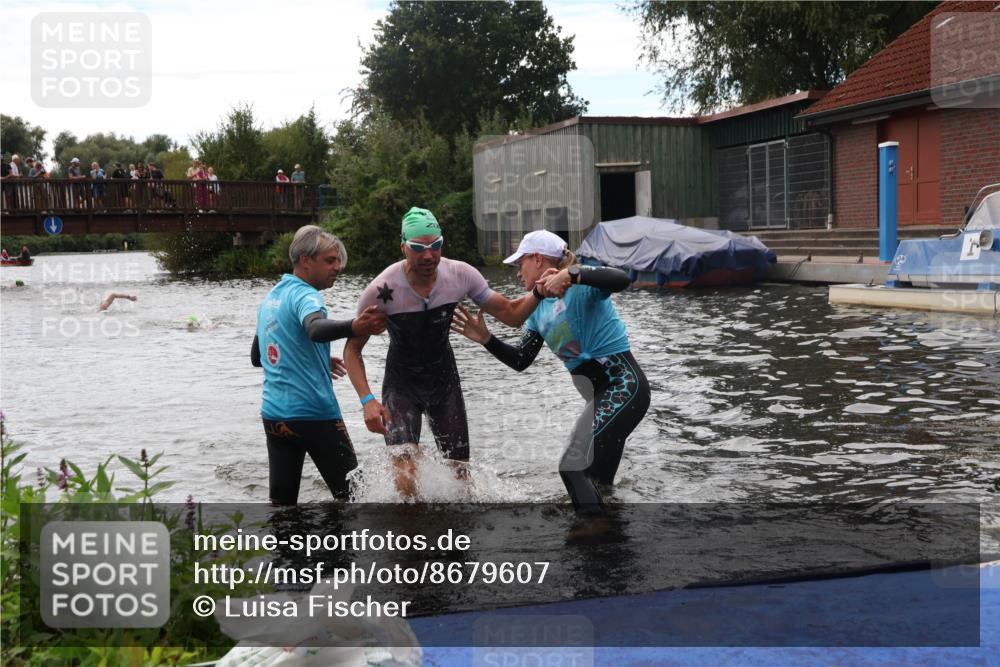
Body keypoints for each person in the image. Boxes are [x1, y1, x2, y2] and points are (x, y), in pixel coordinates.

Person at [343, 207, 563, 498]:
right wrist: (367, 400)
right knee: (405, 479)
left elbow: (511, 315)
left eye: (435, 246)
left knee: (461, 478)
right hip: (401, 387)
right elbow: (352, 350)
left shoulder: (460, 275)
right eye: (418, 248)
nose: (428, 256)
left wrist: (537, 293)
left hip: (444, 385)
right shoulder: (381, 290)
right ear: (403, 247)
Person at [450, 230, 651, 513]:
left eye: (520, 264)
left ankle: (592, 528)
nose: (517, 273)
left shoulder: (582, 284)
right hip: (599, 399)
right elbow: (521, 359)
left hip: (624, 387)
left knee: (572, 467)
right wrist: (487, 339)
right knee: (599, 483)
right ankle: (608, 534)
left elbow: (622, 279)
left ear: (537, 259)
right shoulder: (537, 310)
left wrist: (572, 274)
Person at [251, 225, 387, 505]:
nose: (338, 267)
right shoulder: (307, 296)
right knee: (355, 499)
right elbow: (314, 328)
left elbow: (257, 356)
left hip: (275, 416)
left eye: (338, 260)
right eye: (330, 260)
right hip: (314, 414)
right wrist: (355, 326)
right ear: (305, 260)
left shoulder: (271, 298)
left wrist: (314, 358)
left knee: (283, 506)